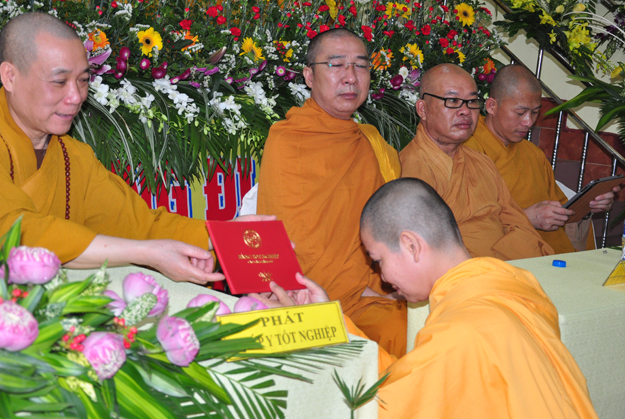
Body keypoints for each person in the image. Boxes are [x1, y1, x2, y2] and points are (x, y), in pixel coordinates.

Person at [0, 12, 268, 283]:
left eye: (83, 80)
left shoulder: (73, 158)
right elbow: (12, 235)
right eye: (59, 82)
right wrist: (147, 253)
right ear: (10, 77)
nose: (75, 97)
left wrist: (224, 236)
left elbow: (140, 225)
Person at [255, 178, 598, 419]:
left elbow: (382, 405)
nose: (383, 278)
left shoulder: (462, 331)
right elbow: (412, 382)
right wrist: (324, 318)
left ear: (411, 245)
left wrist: (310, 331)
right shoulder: (514, 287)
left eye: (378, 260)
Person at [256, 28, 407, 356]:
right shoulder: (287, 140)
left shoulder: (370, 141)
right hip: (305, 298)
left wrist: (383, 286)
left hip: (371, 292)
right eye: (336, 65)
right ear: (309, 76)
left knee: (416, 331)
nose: (351, 77)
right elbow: (294, 239)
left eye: (361, 66)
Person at [399, 63, 554, 260]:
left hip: (507, 267)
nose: (465, 111)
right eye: (453, 100)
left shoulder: (481, 162)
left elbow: (518, 222)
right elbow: (424, 250)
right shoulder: (413, 167)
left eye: (472, 101)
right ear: (423, 109)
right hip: (465, 273)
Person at [464, 64, 618, 253]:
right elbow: (465, 220)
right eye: (520, 113)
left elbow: (562, 209)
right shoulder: (467, 148)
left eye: (535, 112)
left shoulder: (533, 154)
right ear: (491, 106)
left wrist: (589, 205)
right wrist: (526, 218)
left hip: (550, 253)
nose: (528, 122)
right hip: (501, 257)